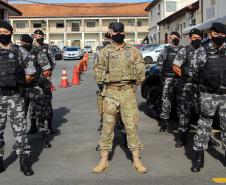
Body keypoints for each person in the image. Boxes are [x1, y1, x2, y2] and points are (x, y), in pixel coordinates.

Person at [93, 22, 147, 173]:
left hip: (128, 93)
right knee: (107, 127)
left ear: (124, 33)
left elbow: (141, 70)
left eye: (120, 31)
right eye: (115, 32)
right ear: (110, 33)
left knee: (131, 127)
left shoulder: (133, 50)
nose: (118, 34)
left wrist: (132, 80)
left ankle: (136, 160)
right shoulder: (105, 51)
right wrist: (112, 77)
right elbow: (97, 71)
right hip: (110, 93)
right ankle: (104, 160)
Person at [0, 20, 35, 176]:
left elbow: (31, 72)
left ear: (11, 33)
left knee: (20, 131)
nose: (2, 35)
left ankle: (24, 161)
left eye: (5, 32)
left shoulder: (21, 51)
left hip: (16, 97)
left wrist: (21, 81)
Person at [191, 22, 226, 172]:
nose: (220, 37)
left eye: (222, 35)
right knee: (204, 126)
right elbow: (193, 72)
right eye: (216, 34)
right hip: (208, 95)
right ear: (211, 34)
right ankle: (199, 158)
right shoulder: (201, 52)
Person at [20, 34, 52, 148]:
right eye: (22, 43)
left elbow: (47, 69)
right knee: (21, 115)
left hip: (36, 87)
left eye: (25, 43)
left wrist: (38, 79)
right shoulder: (17, 53)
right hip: (22, 89)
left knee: (41, 114)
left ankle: (45, 138)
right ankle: (22, 141)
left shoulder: (38, 52)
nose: (23, 45)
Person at [172, 29, 202, 147]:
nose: (197, 40)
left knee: (203, 112)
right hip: (188, 85)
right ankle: (182, 137)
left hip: (202, 86)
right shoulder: (185, 50)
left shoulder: (204, 51)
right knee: (185, 111)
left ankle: (206, 136)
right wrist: (185, 77)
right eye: (194, 38)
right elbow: (175, 66)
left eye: (199, 38)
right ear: (190, 38)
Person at [28, 29, 56, 135]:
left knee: (47, 103)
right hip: (33, 81)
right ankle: (33, 125)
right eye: (36, 36)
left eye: (40, 36)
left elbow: (53, 62)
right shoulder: (30, 47)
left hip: (45, 80)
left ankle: (49, 125)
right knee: (33, 104)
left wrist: (47, 74)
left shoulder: (47, 47)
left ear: (43, 37)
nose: (38, 37)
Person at [157, 31, 183, 132]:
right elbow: (159, 64)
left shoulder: (183, 50)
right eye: (172, 38)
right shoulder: (166, 50)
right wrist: (164, 76)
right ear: (169, 39)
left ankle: (181, 122)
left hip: (180, 79)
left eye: (176, 38)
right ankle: (164, 122)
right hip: (168, 78)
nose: (174, 39)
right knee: (166, 101)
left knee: (180, 101)